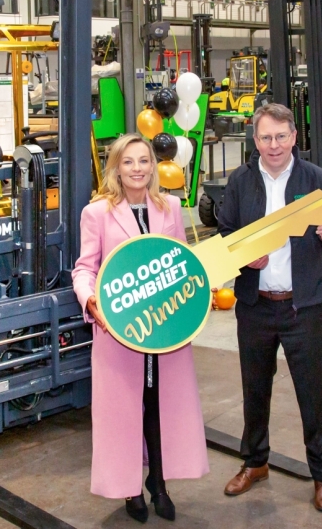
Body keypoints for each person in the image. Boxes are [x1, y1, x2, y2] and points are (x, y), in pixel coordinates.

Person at [215, 103, 322, 512]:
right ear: (255, 141)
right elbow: (226, 234)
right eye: (265, 137)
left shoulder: (317, 179)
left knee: (312, 393)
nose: (273, 145)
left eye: (280, 136)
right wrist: (243, 258)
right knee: (254, 390)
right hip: (255, 306)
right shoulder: (240, 181)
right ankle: (255, 463)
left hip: (303, 307)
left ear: (293, 137)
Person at [72, 133, 209, 523]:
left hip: (165, 329)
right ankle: (130, 488)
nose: (137, 168)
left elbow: (182, 262)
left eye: (144, 161)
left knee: (159, 404)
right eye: (128, 161)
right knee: (125, 411)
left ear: (153, 166)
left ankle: (159, 483)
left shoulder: (170, 207)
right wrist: (90, 299)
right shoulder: (97, 213)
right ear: (116, 168)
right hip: (119, 332)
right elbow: (85, 269)